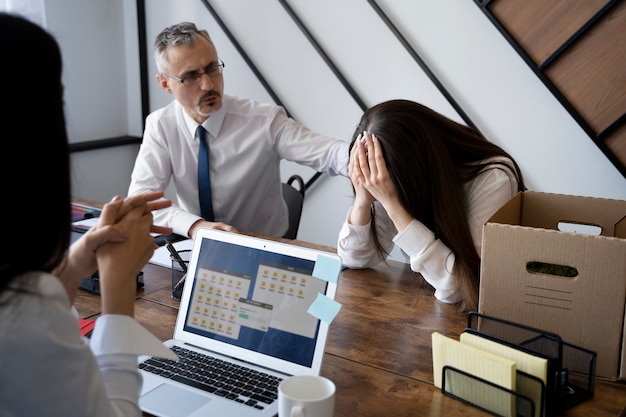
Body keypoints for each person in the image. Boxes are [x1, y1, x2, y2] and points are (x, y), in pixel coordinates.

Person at [0, 13, 177, 416]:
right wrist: (117, 290)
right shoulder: (20, 320)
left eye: (212, 69)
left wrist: (75, 266)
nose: (206, 83)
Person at [128, 21, 348, 240]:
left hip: (264, 250)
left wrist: (370, 158)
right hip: (197, 246)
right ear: (165, 84)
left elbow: (328, 152)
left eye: (212, 68)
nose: (208, 85)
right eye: (192, 76)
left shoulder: (264, 121)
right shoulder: (161, 125)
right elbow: (141, 200)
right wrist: (196, 226)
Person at [337, 99, 526, 312]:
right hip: (424, 307)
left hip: (481, 317)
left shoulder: (493, 178)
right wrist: (363, 199)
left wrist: (393, 204)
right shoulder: (390, 174)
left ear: (418, 167)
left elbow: (458, 288)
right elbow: (354, 258)